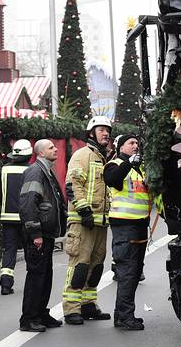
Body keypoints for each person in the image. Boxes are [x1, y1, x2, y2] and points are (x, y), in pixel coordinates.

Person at [61, 116, 113, 325]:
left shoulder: (105, 158)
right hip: (83, 221)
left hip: (101, 222)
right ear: (91, 132)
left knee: (96, 265)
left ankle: (88, 305)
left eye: (108, 130)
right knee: (79, 265)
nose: (106, 133)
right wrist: (84, 212)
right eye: (101, 129)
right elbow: (73, 185)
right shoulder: (82, 155)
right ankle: (71, 309)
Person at [18, 139, 67, 332]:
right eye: (51, 148)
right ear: (40, 153)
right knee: (37, 276)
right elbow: (28, 204)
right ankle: (29, 319)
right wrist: (35, 233)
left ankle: (41, 314)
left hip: (46, 234)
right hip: (38, 235)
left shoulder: (46, 171)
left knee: (45, 275)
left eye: (55, 147)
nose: (55, 149)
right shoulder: (35, 172)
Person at [104, 133, 152, 331]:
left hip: (140, 225)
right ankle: (125, 317)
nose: (135, 146)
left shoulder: (139, 169)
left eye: (137, 143)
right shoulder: (114, 164)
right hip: (124, 226)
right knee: (127, 272)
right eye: (131, 143)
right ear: (120, 147)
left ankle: (122, 315)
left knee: (134, 273)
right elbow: (113, 180)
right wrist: (129, 163)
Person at [0, 139, 33, 295]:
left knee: (9, 250)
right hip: (27, 218)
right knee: (29, 250)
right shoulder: (32, 170)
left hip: (7, 217)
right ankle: (32, 284)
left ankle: (6, 284)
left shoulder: (4, 170)